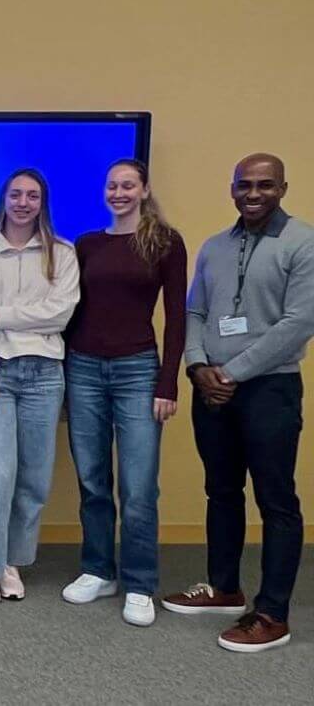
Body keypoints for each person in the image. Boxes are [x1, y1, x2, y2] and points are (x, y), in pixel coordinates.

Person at [163, 153, 314, 653]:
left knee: (276, 501)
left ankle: (272, 612)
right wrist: (198, 367)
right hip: (213, 389)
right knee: (221, 491)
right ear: (231, 189)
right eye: (244, 184)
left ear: (283, 188)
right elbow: (196, 311)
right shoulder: (214, 247)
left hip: (269, 388)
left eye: (265, 185)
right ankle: (224, 587)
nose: (254, 193)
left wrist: (230, 372)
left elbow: (298, 322)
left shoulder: (303, 242)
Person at [61, 160, 186, 627]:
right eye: (111, 185)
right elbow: (71, 311)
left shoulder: (165, 243)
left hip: (138, 370)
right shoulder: (87, 244)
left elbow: (177, 317)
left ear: (144, 189)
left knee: (138, 488)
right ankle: (98, 569)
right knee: (93, 479)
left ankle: (139, 582)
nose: (118, 192)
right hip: (84, 367)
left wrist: (167, 381)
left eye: (127, 185)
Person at [0, 167, 79, 603]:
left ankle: (10, 561)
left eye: (32, 195)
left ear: (42, 202)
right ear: (4, 200)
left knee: (34, 478)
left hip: (47, 374)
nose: (24, 202)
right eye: (16, 194)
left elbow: (61, 314)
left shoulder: (62, 252)